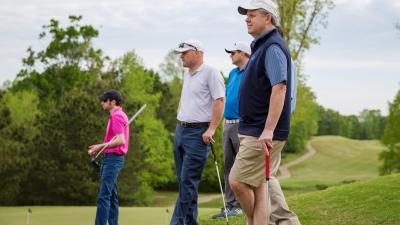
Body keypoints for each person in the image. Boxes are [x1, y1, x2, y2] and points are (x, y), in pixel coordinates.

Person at [229, 0, 301, 225]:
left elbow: (280, 88)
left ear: (267, 17)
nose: (247, 19)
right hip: (255, 129)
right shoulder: (261, 46)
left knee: (237, 181)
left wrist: (268, 129)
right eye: (246, 15)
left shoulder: (272, 47)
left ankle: (255, 220)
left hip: (262, 132)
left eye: (252, 15)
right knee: (259, 186)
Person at [170, 39, 225, 225]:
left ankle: (176, 223)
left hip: (198, 134)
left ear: (198, 52)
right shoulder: (187, 74)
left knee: (187, 182)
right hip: (181, 131)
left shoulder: (211, 73)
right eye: (180, 52)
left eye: (184, 52)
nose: (181, 56)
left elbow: (219, 101)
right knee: (184, 183)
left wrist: (211, 129)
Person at [211, 42, 251, 219]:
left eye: (233, 52)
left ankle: (246, 204)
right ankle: (231, 205)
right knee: (229, 166)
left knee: (243, 167)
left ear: (243, 53)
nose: (230, 55)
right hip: (228, 125)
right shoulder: (233, 73)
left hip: (244, 124)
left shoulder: (252, 72)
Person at [88, 89, 129, 225]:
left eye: (104, 100)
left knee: (104, 196)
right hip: (112, 158)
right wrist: (101, 147)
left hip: (113, 159)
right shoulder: (118, 115)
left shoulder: (117, 116)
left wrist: (100, 146)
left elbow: (121, 140)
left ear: (113, 102)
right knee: (112, 197)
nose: (102, 102)